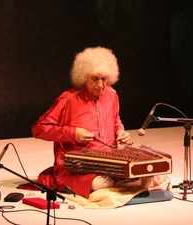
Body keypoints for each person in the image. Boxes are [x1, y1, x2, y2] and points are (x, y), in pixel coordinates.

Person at [32, 46, 147, 198]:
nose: (100, 85)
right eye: (95, 79)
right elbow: (39, 129)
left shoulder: (111, 94)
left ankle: (117, 179)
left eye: (104, 79)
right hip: (78, 166)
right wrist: (73, 133)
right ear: (83, 77)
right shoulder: (68, 99)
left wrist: (121, 132)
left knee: (150, 173)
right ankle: (110, 182)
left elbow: (115, 119)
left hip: (109, 160)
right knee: (101, 184)